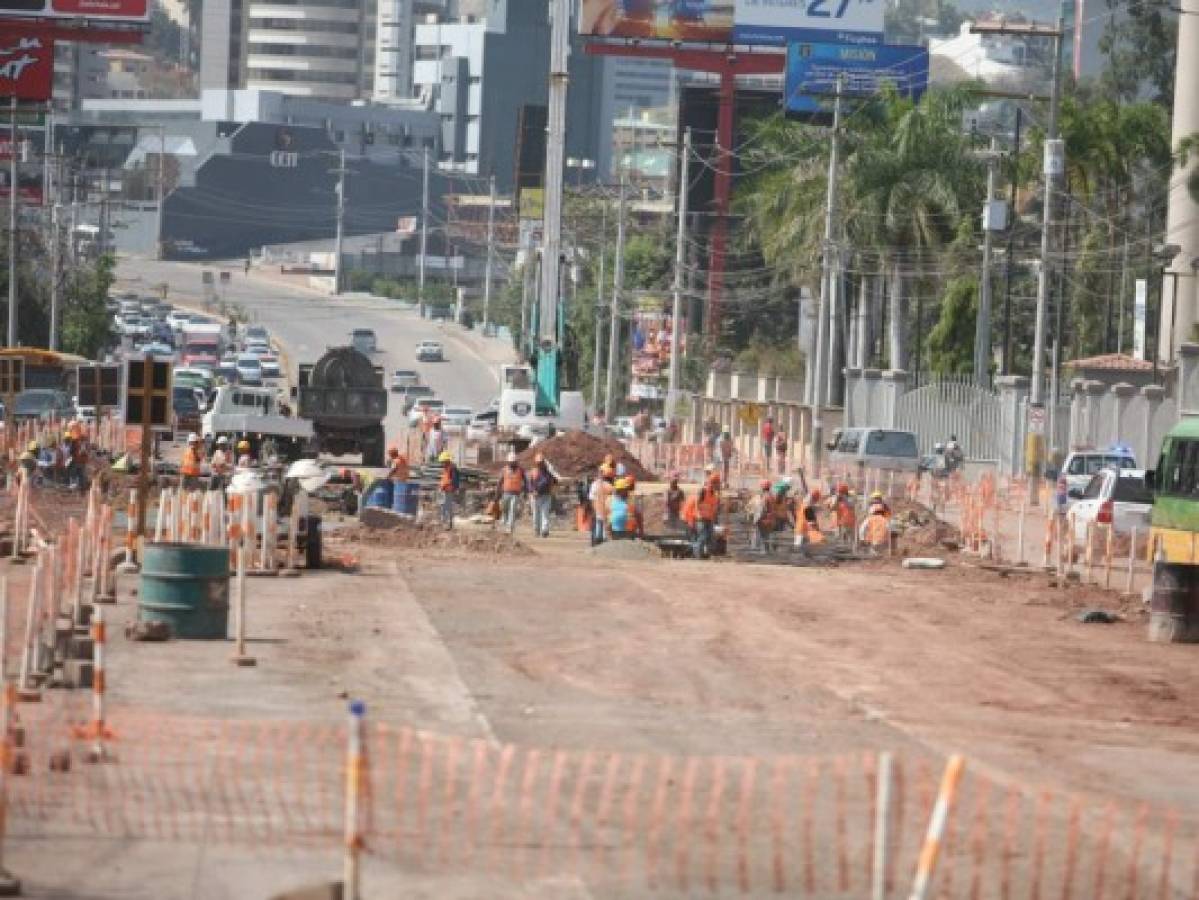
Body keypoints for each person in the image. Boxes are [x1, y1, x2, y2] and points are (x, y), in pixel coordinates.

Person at [529, 453, 557, 538]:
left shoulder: (548, 472)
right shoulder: (533, 471)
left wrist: (537, 489)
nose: (539, 464)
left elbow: (548, 481)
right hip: (535, 496)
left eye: (541, 462)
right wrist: (532, 491)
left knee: (545, 514)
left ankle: (545, 530)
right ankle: (536, 530)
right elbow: (529, 483)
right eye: (538, 462)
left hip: (546, 495)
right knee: (536, 515)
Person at [498, 451, 527, 534]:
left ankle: (510, 527)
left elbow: (526, 481)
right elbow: (500, 482)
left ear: (516, 462)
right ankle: (506, 522)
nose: (512, 463)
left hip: (515, 494)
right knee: (505, 509)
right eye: (511, 462)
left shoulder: (521, 470)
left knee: (512, 509)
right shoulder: (504, 470)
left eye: (514, 462)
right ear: (508, 462)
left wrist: (525, 491)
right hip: (506, 493)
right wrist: (497, 494)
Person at [693, 473, 720, 559]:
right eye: (716, 483)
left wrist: (714, 517)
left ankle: (708, 554)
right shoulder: (703, 491)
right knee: (702, 536)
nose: (717, 485)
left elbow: (714, 507)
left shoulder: (714, 494)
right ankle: (698, 555)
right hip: (701, 518)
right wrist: (698, 513)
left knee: (711, 537)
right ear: (711, 482)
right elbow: (697, 503)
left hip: (709, 518)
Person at [589, 463, 613, 546]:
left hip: (598, 509)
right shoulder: (609, 486)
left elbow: (591, 498)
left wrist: (594, 508)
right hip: (605, 510)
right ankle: (602, 542)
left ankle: (597, 541)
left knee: (598, 526)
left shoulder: (594, 484)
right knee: (603, 527)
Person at [749, 479, 775, 553]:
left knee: (760, 536)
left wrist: (756, 519)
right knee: (766, 536)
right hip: (770, 519)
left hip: (763, 520)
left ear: (762, 487)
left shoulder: (764, 497)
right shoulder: (771, 496)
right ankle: (766, 551)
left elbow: (761, 510)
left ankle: (760, 552)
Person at [437, 450, 460, 529]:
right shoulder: (446, 468)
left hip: (449, 490)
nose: (441, 464)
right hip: (445, 490)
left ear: (446, 460)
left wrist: (445, 485)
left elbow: (453, 480)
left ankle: (448, 524)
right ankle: (444, 522)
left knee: (448, 507)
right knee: (443, 506)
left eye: (443, 462)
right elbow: (445, 479)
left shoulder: (452, 468)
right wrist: (441, 486)